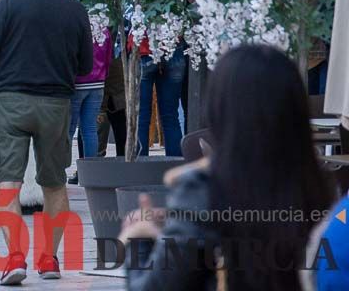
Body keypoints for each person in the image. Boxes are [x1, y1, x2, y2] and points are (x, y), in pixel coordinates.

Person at [121, 44, 334, 291]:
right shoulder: (316, 187)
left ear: (219, 108)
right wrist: (175, 228)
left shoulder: (203, 188)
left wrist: (140, 238)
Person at [0, 0, 92, 284]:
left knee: (8, 182)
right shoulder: (74, 7)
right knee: (54, 183)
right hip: (56, 102)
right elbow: (85, 64)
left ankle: (14, 259)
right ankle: (49, 258)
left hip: (12, 98)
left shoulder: (11, 2)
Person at [136, 0, 187, 157]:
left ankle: (139, 170)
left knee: (142, 115)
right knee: (170, 116)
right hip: (175, 45)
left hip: (146, 46)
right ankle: (174, 166)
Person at [71, 28, 111, 162]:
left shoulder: (77, 28)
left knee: (69, 129)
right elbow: (108, 57)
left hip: (78, 82)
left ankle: (60, 168)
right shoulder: (104, 30)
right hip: (98, 82)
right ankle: (90, 167)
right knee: (90, 129)